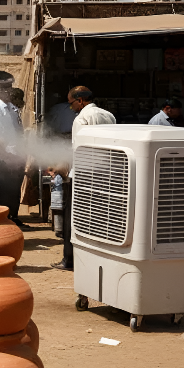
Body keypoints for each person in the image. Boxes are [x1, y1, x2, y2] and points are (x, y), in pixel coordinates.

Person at [52, 87, 116, 271]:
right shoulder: (109, 116)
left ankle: (69, 260)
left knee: (72, 221)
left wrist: (63, 168)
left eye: (71, 103)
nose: (70, 107)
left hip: (82, 177)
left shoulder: (81, 119)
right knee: (98, 219)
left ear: (80, 101)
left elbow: (78, 150)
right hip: (105, 176)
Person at [0, 71, 27, 226]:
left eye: (10, 87)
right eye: (5, 88)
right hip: (1, 160)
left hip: (13, 159)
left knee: (9, 198)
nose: (9, 90)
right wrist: (8, 159)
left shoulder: (9, 107)